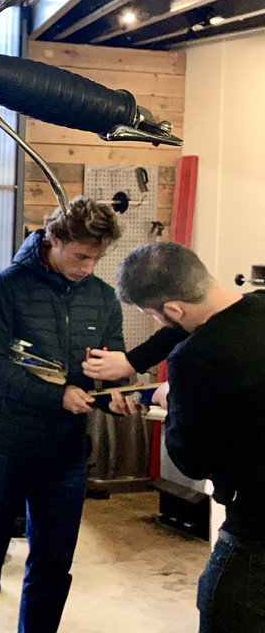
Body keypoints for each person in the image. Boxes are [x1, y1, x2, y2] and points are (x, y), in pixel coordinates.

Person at [0, 197, 124, 633]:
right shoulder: (4, 287)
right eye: (82, 256)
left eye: (97, 258)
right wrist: (56, 397)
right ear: (55, 238)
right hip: (4, 447)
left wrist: (117, 394)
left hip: (65, 454)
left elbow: (108, 367)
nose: (89, 267)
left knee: (52, 567)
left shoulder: (102, 297)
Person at [93, 242, 265, 632]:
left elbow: (193, 460)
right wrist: (134, 361)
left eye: (155, 316)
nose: (159, 324)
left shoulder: (193, 359)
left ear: (173, 310)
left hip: (255, 534)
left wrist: (173, 401)